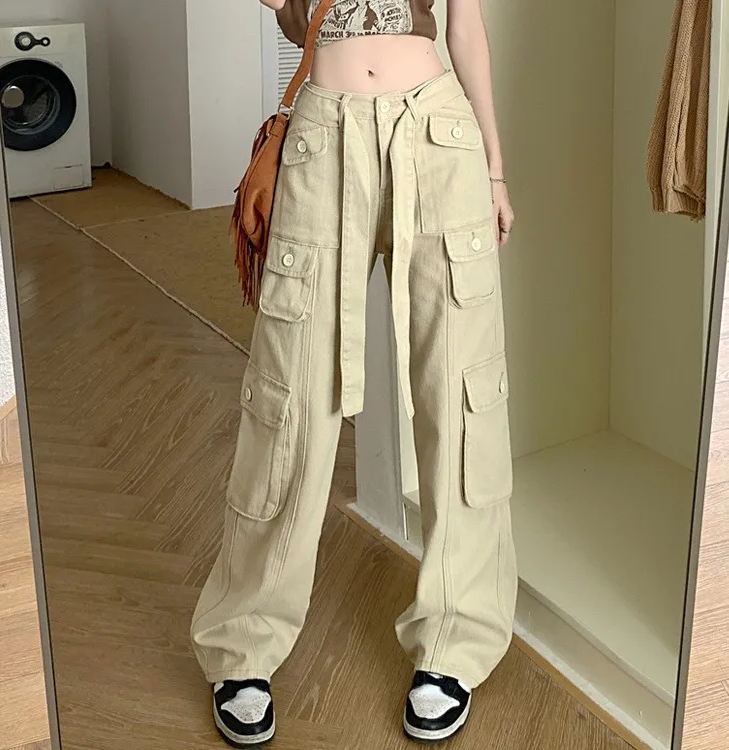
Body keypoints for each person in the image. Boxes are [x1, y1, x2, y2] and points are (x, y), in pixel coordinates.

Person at [191, 0, 517, 745]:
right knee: (289, 398)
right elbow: (293, 17)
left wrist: (495, 169)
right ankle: (244, 642)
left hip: (438, 132)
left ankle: (456, 638)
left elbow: (465, 27)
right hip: (321, 138)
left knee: (460, 394)